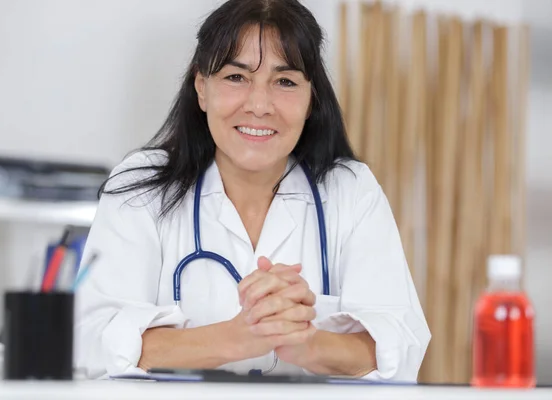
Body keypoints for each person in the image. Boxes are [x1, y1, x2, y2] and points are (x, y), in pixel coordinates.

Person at [74, 0, 431, 382]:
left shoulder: (349, 189)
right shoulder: (140, 186)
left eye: (285, 82)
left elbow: (401, 349)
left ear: (312, 99)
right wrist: (236, 339)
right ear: (202, 88)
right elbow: (88, 343)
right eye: (236, 77)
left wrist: (305, 343)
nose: (260, 105)